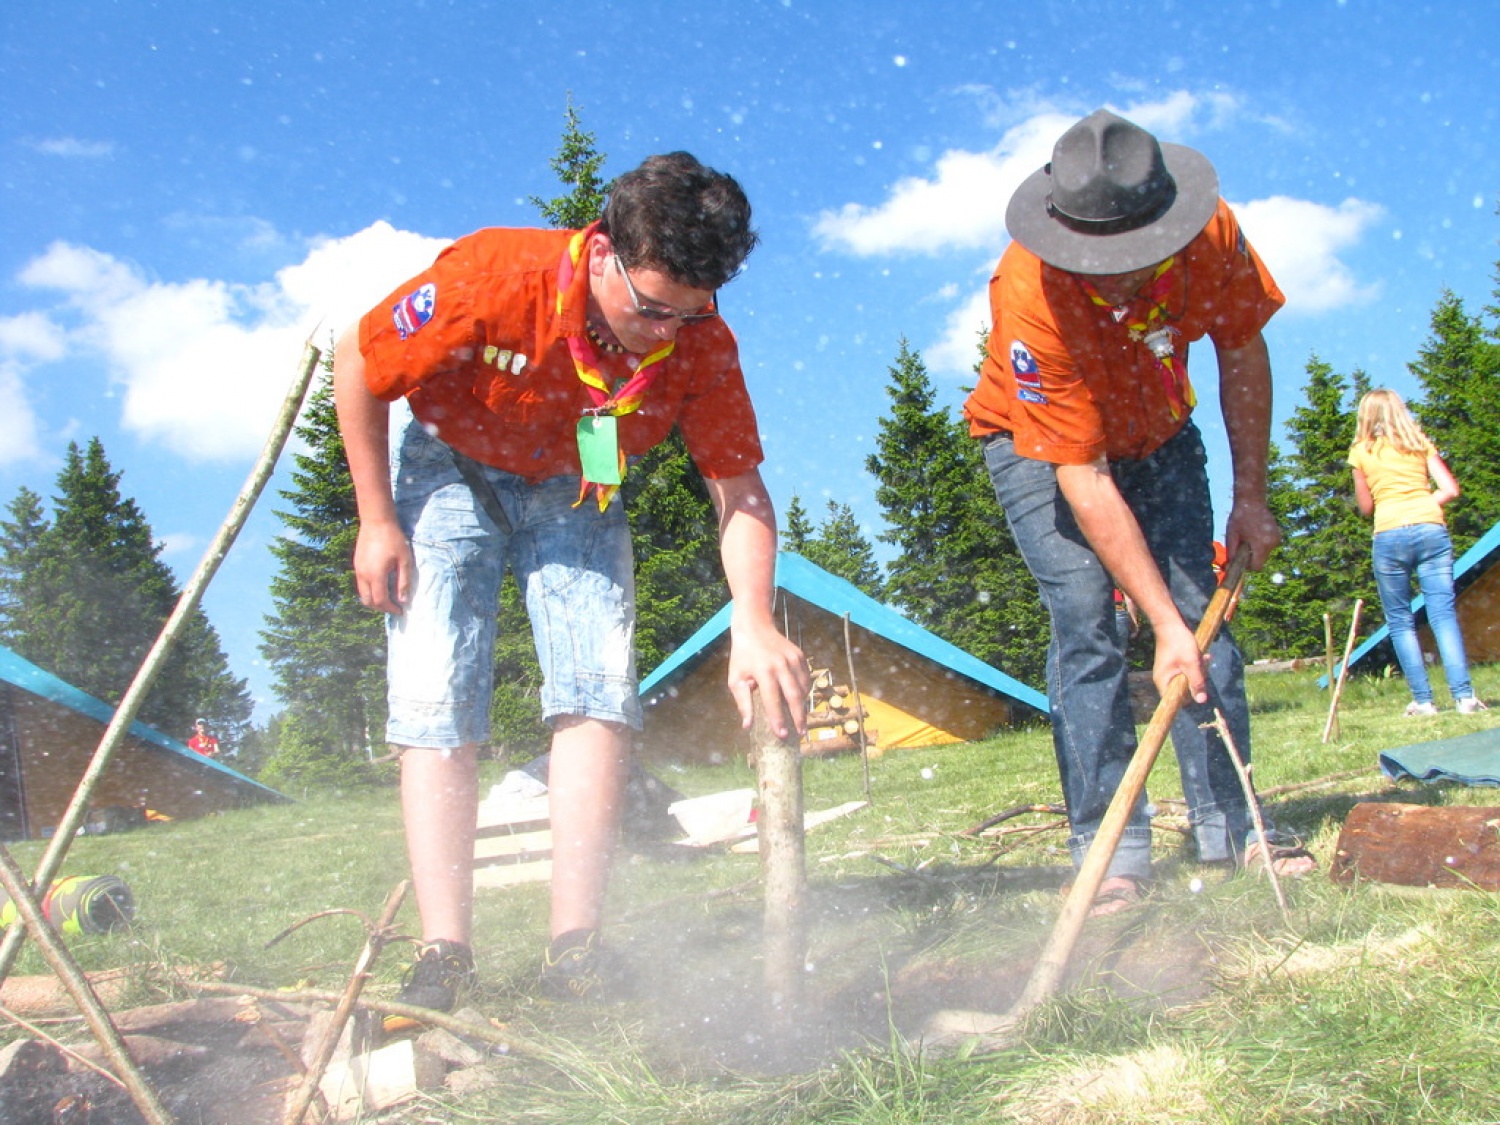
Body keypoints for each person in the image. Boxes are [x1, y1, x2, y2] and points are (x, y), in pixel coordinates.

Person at [334, 152, 809, 1018]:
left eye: (691, 311)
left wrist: (753, 617)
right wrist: (377, 518)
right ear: (601, 253)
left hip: (579, 480)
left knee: (597, 686)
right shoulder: (492, 277)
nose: (667, 332)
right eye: (652, 307)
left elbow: (739, 488)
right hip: (452, 468)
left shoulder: (700, 337)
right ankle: (445, 953)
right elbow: (358, 365)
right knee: (438, 690)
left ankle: (575, 949)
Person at [965, 109, 1310, 913]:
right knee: (1088, 618)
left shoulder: (1213, 235)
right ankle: (1111, 848)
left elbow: (1241, 348)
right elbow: (1082, 476)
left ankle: (1236, 824)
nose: (1118, 274)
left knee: (1204, 610)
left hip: (1158, 425)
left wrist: (1250, 497)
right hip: (1039, 447)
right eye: (1100, 261)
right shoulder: (1030, 292)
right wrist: (1156, 622)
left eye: (1134, 256)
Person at [1348, 388, 1486, 716]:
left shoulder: (1361, 452)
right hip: (1431, 529)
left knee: (1400, 619)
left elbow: (1366, 507)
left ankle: (1424, 701)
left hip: (1390, 533)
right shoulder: (1418, 442)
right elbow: (1450, 489)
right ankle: (1464, 697)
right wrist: (1421, 503)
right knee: (1442, 614)